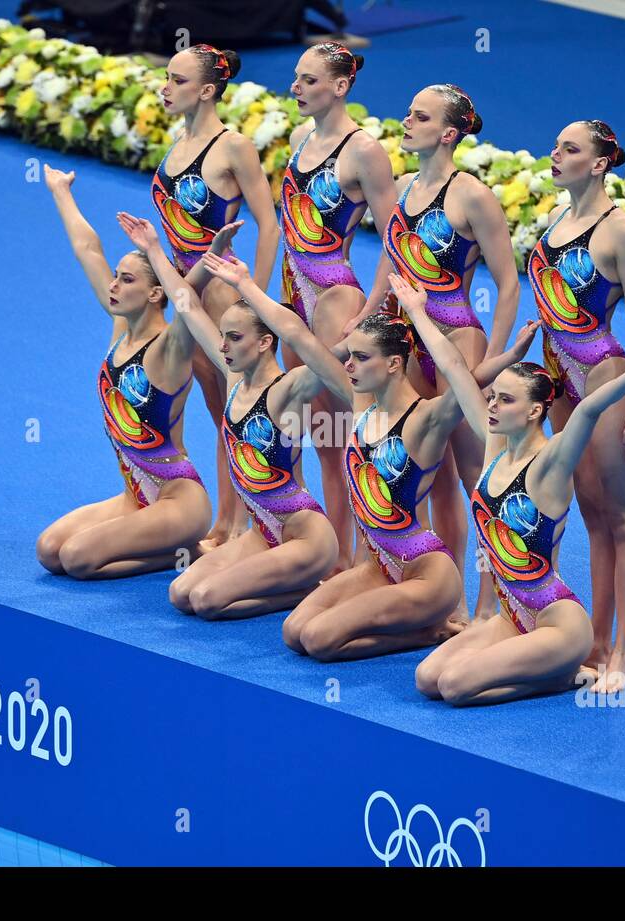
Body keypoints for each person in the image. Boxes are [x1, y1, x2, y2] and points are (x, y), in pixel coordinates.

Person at [229, 263, 534, 662]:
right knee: (293, 632)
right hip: (377, 566)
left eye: (360, 357)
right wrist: (246, 285)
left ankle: (426, 632)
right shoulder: (360, 408)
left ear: (393, 363)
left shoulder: (428, 419)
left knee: (320, 640)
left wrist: (421, 315)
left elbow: (458, 372)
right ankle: (418, 626)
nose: (348, 365)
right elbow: (296, 335)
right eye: (349, 357)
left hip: (424, 572)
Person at [407, 256, 625, 704]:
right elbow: (454, 370)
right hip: (511, 618)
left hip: (557, 623)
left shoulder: (552, 460)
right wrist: (416, 309)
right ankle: (542, 670)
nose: (491, 407)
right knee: (427, 678)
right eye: (493, 398)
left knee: (455, 687)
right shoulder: (494, 448)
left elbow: (588, 410)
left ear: (535, 411)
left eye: (505, 401)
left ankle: (563, 675)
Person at [349, 84, 522, 625]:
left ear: (448, 133)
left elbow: (509, 281)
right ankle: (430, 593)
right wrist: (364, 320)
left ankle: (490, 605)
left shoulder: (470, 194)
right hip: (403, 340)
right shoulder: (400, 189)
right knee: (424, 470)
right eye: (407, 113)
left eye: (418, 117)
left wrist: (493, 361)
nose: (405, 122)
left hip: (453, 337)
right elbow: (389, 268)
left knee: (477, 477)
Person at [114, 213, 340, 618]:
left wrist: (248, 287)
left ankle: (304, 586)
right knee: (182, 592)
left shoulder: (292, 388)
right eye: (225, 336)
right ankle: (292, 583)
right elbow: (185, 304)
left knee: (207, 600)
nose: (224, 345)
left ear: (265, 342)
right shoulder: (234, 377)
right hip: (262, 531)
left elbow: (301, 337)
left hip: (303, 535)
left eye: (235, 337)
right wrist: (152, 248)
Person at [527, 120, 625, 692]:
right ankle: (596, 640)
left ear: (601, 163)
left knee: (621, 517)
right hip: (560, 381)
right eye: (555, 147)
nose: (555, 155)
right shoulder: (557, 221)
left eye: (569, 149)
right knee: (587, 513)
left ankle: (622, 654)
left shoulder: (622, 232)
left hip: (604, 378)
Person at [35, 164, 212, 579]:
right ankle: (176, 549)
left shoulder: (170, 346)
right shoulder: (120, 329)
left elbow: (187, 300)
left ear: (155, 293)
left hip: (177, 499)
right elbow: (88, 250)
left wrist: (173, 254)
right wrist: (61, 192)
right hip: (135, 494)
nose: (114, 285)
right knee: (50, 551)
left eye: (126, 279)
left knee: (79, 559)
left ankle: (189, 552)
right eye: (116, 277)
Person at [153, 43, 281, 548]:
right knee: (217, 416)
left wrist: (256, 302)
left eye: (178, 80)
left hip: (221, 304)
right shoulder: (177, 145)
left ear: (208, 90)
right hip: (186, 297)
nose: (166, 87)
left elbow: (269, 226)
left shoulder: (233, 147)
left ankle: (242, 525)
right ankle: (228, 522)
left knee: (239, 418)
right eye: (167, 77)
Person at [279, 42, 400, 573]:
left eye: (308, 80)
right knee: (310, 436)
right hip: (293, 296)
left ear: (340, 86)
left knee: (344, 440)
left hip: (333, 299)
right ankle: (327, 555)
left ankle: (356, 564)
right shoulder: (299, 137)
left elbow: (399, 238)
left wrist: (369, 312)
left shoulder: (363, 150)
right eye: (296, 78)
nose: (295, 88)